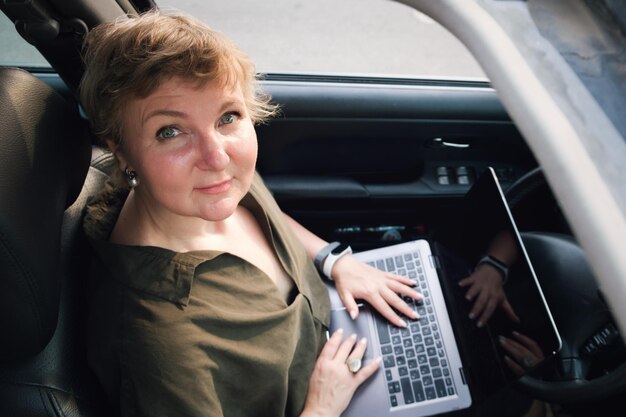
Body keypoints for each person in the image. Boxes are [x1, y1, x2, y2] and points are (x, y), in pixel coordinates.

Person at [79, 10, 422, 417]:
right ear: (120, 150)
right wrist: (322, 407)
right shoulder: (159, 344)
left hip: (344, 339)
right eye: (170, 131)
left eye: (228, 116)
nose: (217, 156)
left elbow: (270, 216)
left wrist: (333, 260)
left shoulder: (206, 191)